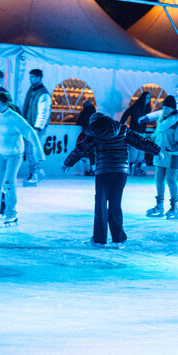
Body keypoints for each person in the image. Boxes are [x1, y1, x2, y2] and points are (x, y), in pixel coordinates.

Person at [62, 111, 161, 247]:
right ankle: (118, 240)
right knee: (115, 204)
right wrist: (156, 150)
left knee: (101, 205)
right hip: (121, 171)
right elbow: (140, 141)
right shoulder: (122, 129)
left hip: (104, 171)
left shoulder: (95, 131)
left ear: (94, 123)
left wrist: (68, 163)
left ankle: (99, 240)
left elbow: (81, 148)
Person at [0, 91, 42, 224]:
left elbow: (30, 132)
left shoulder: (15, 118)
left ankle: (11, 213)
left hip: (14, 155)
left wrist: (38, 151)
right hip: (1, 154)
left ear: (5, 104)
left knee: (9, 182)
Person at [145, 95, 178, 220]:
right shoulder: (161, 121)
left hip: (174, 155)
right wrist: (148, 140)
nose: (165, 110)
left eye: (167, 108)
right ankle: (159, 206)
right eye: (164, 108)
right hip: (160, 154)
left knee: (171, 180)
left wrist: (172, 148)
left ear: (173, 108)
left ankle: (174, 207)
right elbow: (157, 135)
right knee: (158, 179)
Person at [20, 68, 49, 186]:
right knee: (28, 150)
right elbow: (27, 107)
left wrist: (38, 127)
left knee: (31, 150)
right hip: (29, 126)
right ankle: (36, 172)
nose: (30, 79)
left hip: (36, 128)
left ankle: (36, 174)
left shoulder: (43, 93)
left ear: (39, 78)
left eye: (32, 77)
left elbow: (43, 112)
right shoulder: (32, 89)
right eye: (30, 77)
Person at [119, 93, 152, 176]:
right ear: (143, 98)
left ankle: (137, 169)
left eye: (149, 98)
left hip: (142, 133)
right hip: (135, 132)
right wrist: (121, 124)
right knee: (134, 152)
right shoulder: (136, 107)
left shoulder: (147, 109)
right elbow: (126, 114)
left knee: (141, 153)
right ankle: (129, 168)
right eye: (147, 97)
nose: (148, 99)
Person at [75, 100, 97, 176]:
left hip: (87, 134)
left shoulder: (83, 113)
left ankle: (91, 169)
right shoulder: (95, 113)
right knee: (95, 151)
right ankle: (94, 168)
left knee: (89, 151)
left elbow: (78, 122)